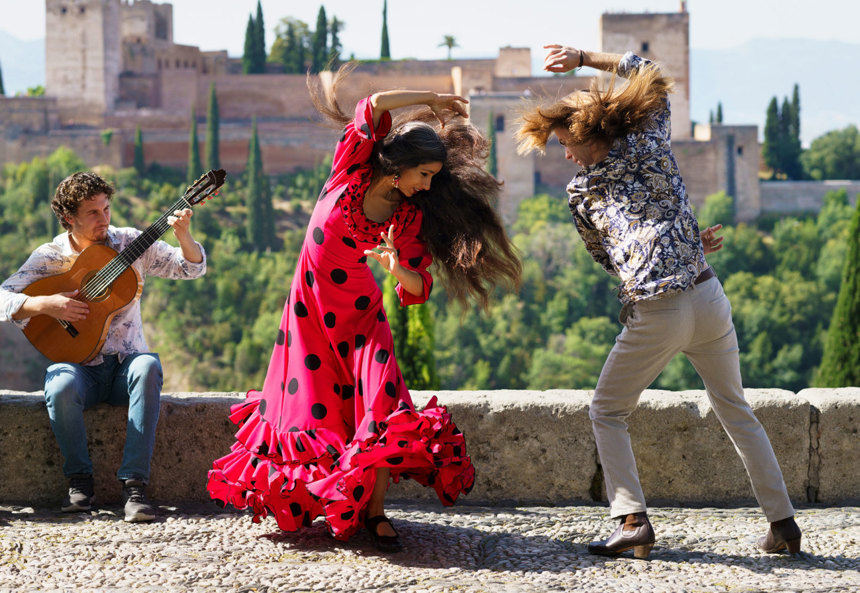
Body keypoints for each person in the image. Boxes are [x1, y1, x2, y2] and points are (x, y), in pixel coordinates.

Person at [207, 67, 521, 552]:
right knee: (313, 414)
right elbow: (372, 105)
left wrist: (396, 268)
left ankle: (375, 513)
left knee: (380, 407)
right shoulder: (350, 168)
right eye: (423, 174)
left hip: (362, 321)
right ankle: (328, 501)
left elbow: (419, 286)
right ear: (400, 165)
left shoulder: (407, 216)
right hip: (309, 316)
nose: (426, 185)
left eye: (433, 178)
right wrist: (433, 98)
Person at [516, 46, 801, 558]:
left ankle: (632, 521)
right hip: (707, 295)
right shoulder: (651, 140)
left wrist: (669, 247)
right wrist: (583, 57)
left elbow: (611, 258)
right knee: (736, 409)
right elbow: (647, 72)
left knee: (607, 411)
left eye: (565, 144)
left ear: (586, 135)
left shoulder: (582, 191)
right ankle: (783, 524)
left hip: (659, 309)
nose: (566, 156)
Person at [0, 171, 207, 522]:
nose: (104, 219)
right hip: (80, 369)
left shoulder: (130, 242)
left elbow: (189, 269)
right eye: (93, 213)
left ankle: (135, 486)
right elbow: (3, 298)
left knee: (148, 366)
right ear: (69, 218)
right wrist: (47, 304)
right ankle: (79, 482)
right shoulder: (50, 256)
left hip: (126, 366)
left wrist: (184, 236)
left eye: (106, 209)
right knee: (58, 383)